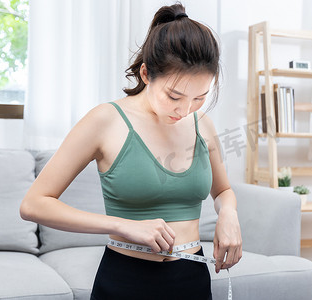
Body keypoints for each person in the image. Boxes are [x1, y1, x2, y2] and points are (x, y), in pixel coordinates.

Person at [20, 3, 242, 299]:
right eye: (174, 96)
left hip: (192, 279)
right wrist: (123, 226)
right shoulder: (104, 121)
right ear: (147, 74)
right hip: (125, 280)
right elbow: (34, 204)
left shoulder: (203, 124)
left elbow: (223, 191)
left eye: (199, 97)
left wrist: (228, 213)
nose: (185, 109)